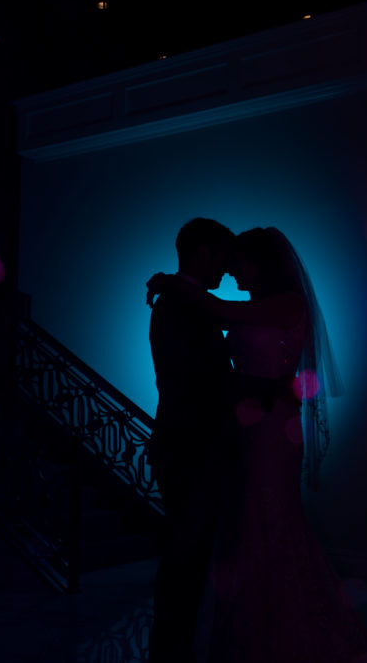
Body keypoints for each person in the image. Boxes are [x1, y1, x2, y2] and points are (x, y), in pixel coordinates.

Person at [147, 227, 367, 663]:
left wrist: (170, 281)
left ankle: (279, 629)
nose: (232, 270)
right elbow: (212, 332)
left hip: (271, 430)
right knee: (243, 526)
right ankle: (245, 629)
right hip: (244, 428)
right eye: (226, 259)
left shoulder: (286, 303)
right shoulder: (244, 307)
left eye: (238, 261)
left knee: (270, 521)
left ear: (260, 263)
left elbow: (217, 311)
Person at [145, 217, 237, 663]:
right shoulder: (178, 305)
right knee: (186, 552)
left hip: (186, 444)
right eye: (221, 255)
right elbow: (189, 381)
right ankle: (171, 648)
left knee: (189, 552)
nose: (225, 267)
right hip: (189, 446)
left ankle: (177, 644)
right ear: (202, 253)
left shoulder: (181, 300)